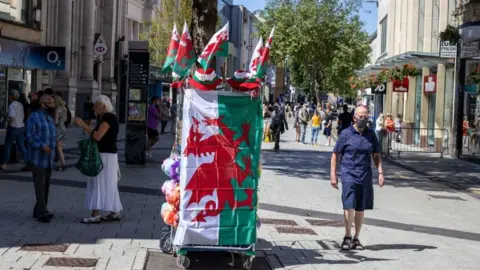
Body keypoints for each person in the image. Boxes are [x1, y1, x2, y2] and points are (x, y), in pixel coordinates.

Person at [330, 106, 385, 250]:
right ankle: (347, 236)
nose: (364, 119)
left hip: (365, 175)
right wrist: (333, 175)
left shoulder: (371, 134)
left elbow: (376, 155)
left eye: (366, 116)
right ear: (354, 118)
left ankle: (356, 238)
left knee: (360, 208)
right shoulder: (346, 134)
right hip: (348, 174)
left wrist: (380, 173)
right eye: (361, 116)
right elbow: (335, 154)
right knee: (349, 206)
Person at [74, 95, 123, 223]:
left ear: (103, 106)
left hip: (104, 155)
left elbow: (97, 136)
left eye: (96, 105)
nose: (94, 107)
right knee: (109, 182)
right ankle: (115, 211)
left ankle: (95, 214)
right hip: (109, 154)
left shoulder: (108, 118)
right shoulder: (107, 118)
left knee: (98, 182)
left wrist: (84, 125)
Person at [26, 95, 57, 223]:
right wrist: (42, 146)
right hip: (38, 158)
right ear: (43, 104)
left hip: (48, 159)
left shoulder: (49, 118)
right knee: (40, 186)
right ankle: (43, 212)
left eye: (53, 102)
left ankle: (38, 210)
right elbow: (30, 136)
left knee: (46, 186)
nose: (53, 105)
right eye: (51, 103)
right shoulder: (34, 117)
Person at [1, 90, 29, 171]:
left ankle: (3, 164)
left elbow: (12, 118)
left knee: (8, 145)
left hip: (13, 128)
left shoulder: (11, 105)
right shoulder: (20, 104)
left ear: (11, 96)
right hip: (21, 127)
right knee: (21, 146)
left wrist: (7, 124)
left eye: (9, 95)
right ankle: (29, 162)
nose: (8, 97)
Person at [54, 95, 68, 171]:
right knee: (59, 147)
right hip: (63, 128)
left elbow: (55, 121)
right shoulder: (64, 108)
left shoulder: (57, 110)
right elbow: (65, 120)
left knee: (58, 148)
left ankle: (63, 165)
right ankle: (63, 164)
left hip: (58, 129)